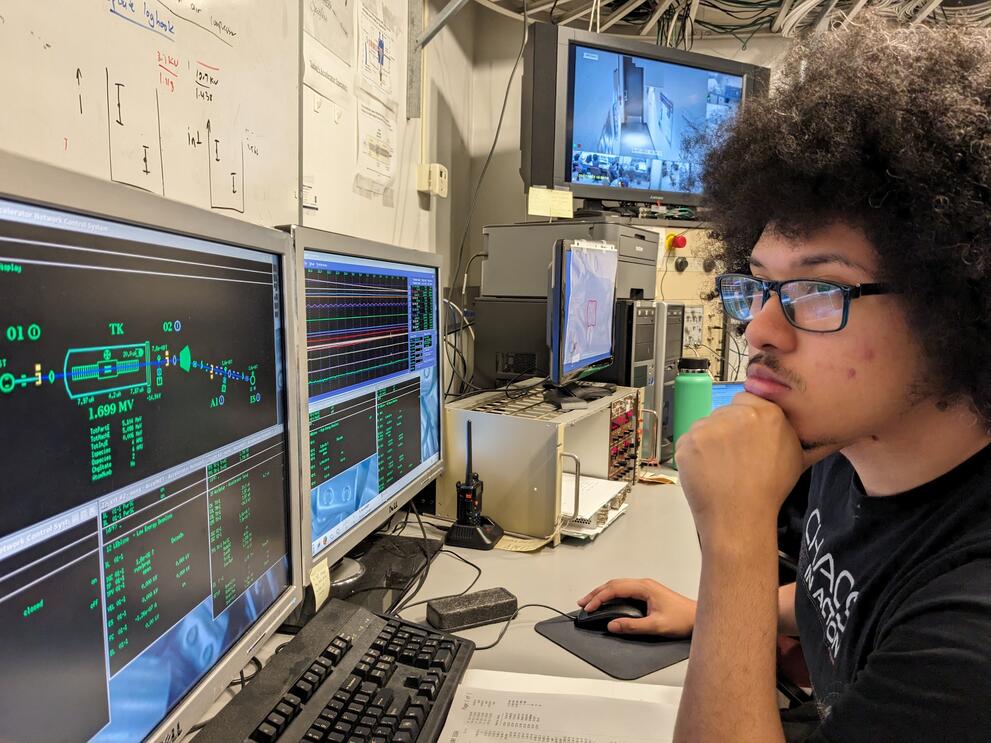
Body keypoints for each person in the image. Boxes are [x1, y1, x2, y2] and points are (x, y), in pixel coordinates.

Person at [579, 13, 991, 743]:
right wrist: (718, 610)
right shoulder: (847, 445)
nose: (759, 331)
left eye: (818, 291)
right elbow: (855, 586)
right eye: (759, 285)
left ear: (955, 302)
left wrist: (733, 544)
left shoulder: (969, 639)